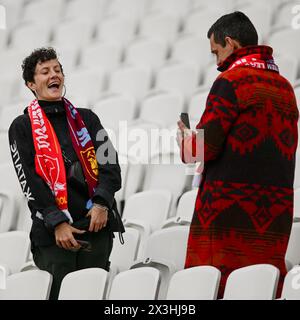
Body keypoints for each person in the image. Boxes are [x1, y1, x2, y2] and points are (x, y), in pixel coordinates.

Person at [177, 11, 299, 297]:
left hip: (228, 218)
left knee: (215, 287)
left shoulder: (231, 82)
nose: (217, 62)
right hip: (273, 216)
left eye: (216, 52)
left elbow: (205, 147)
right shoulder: (285, 87)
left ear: (230, 43)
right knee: (261, 287)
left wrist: (185, 141)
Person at [8, 47, 124, 300]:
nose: (54, 75)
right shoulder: (22, 127)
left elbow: (110, 166)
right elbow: (30, 181)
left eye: (58, 70)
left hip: (96, 227)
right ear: (31, 84)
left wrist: (102, 203)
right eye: (45, 71)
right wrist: (57, 222)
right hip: (55, 238)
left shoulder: (87, 119)